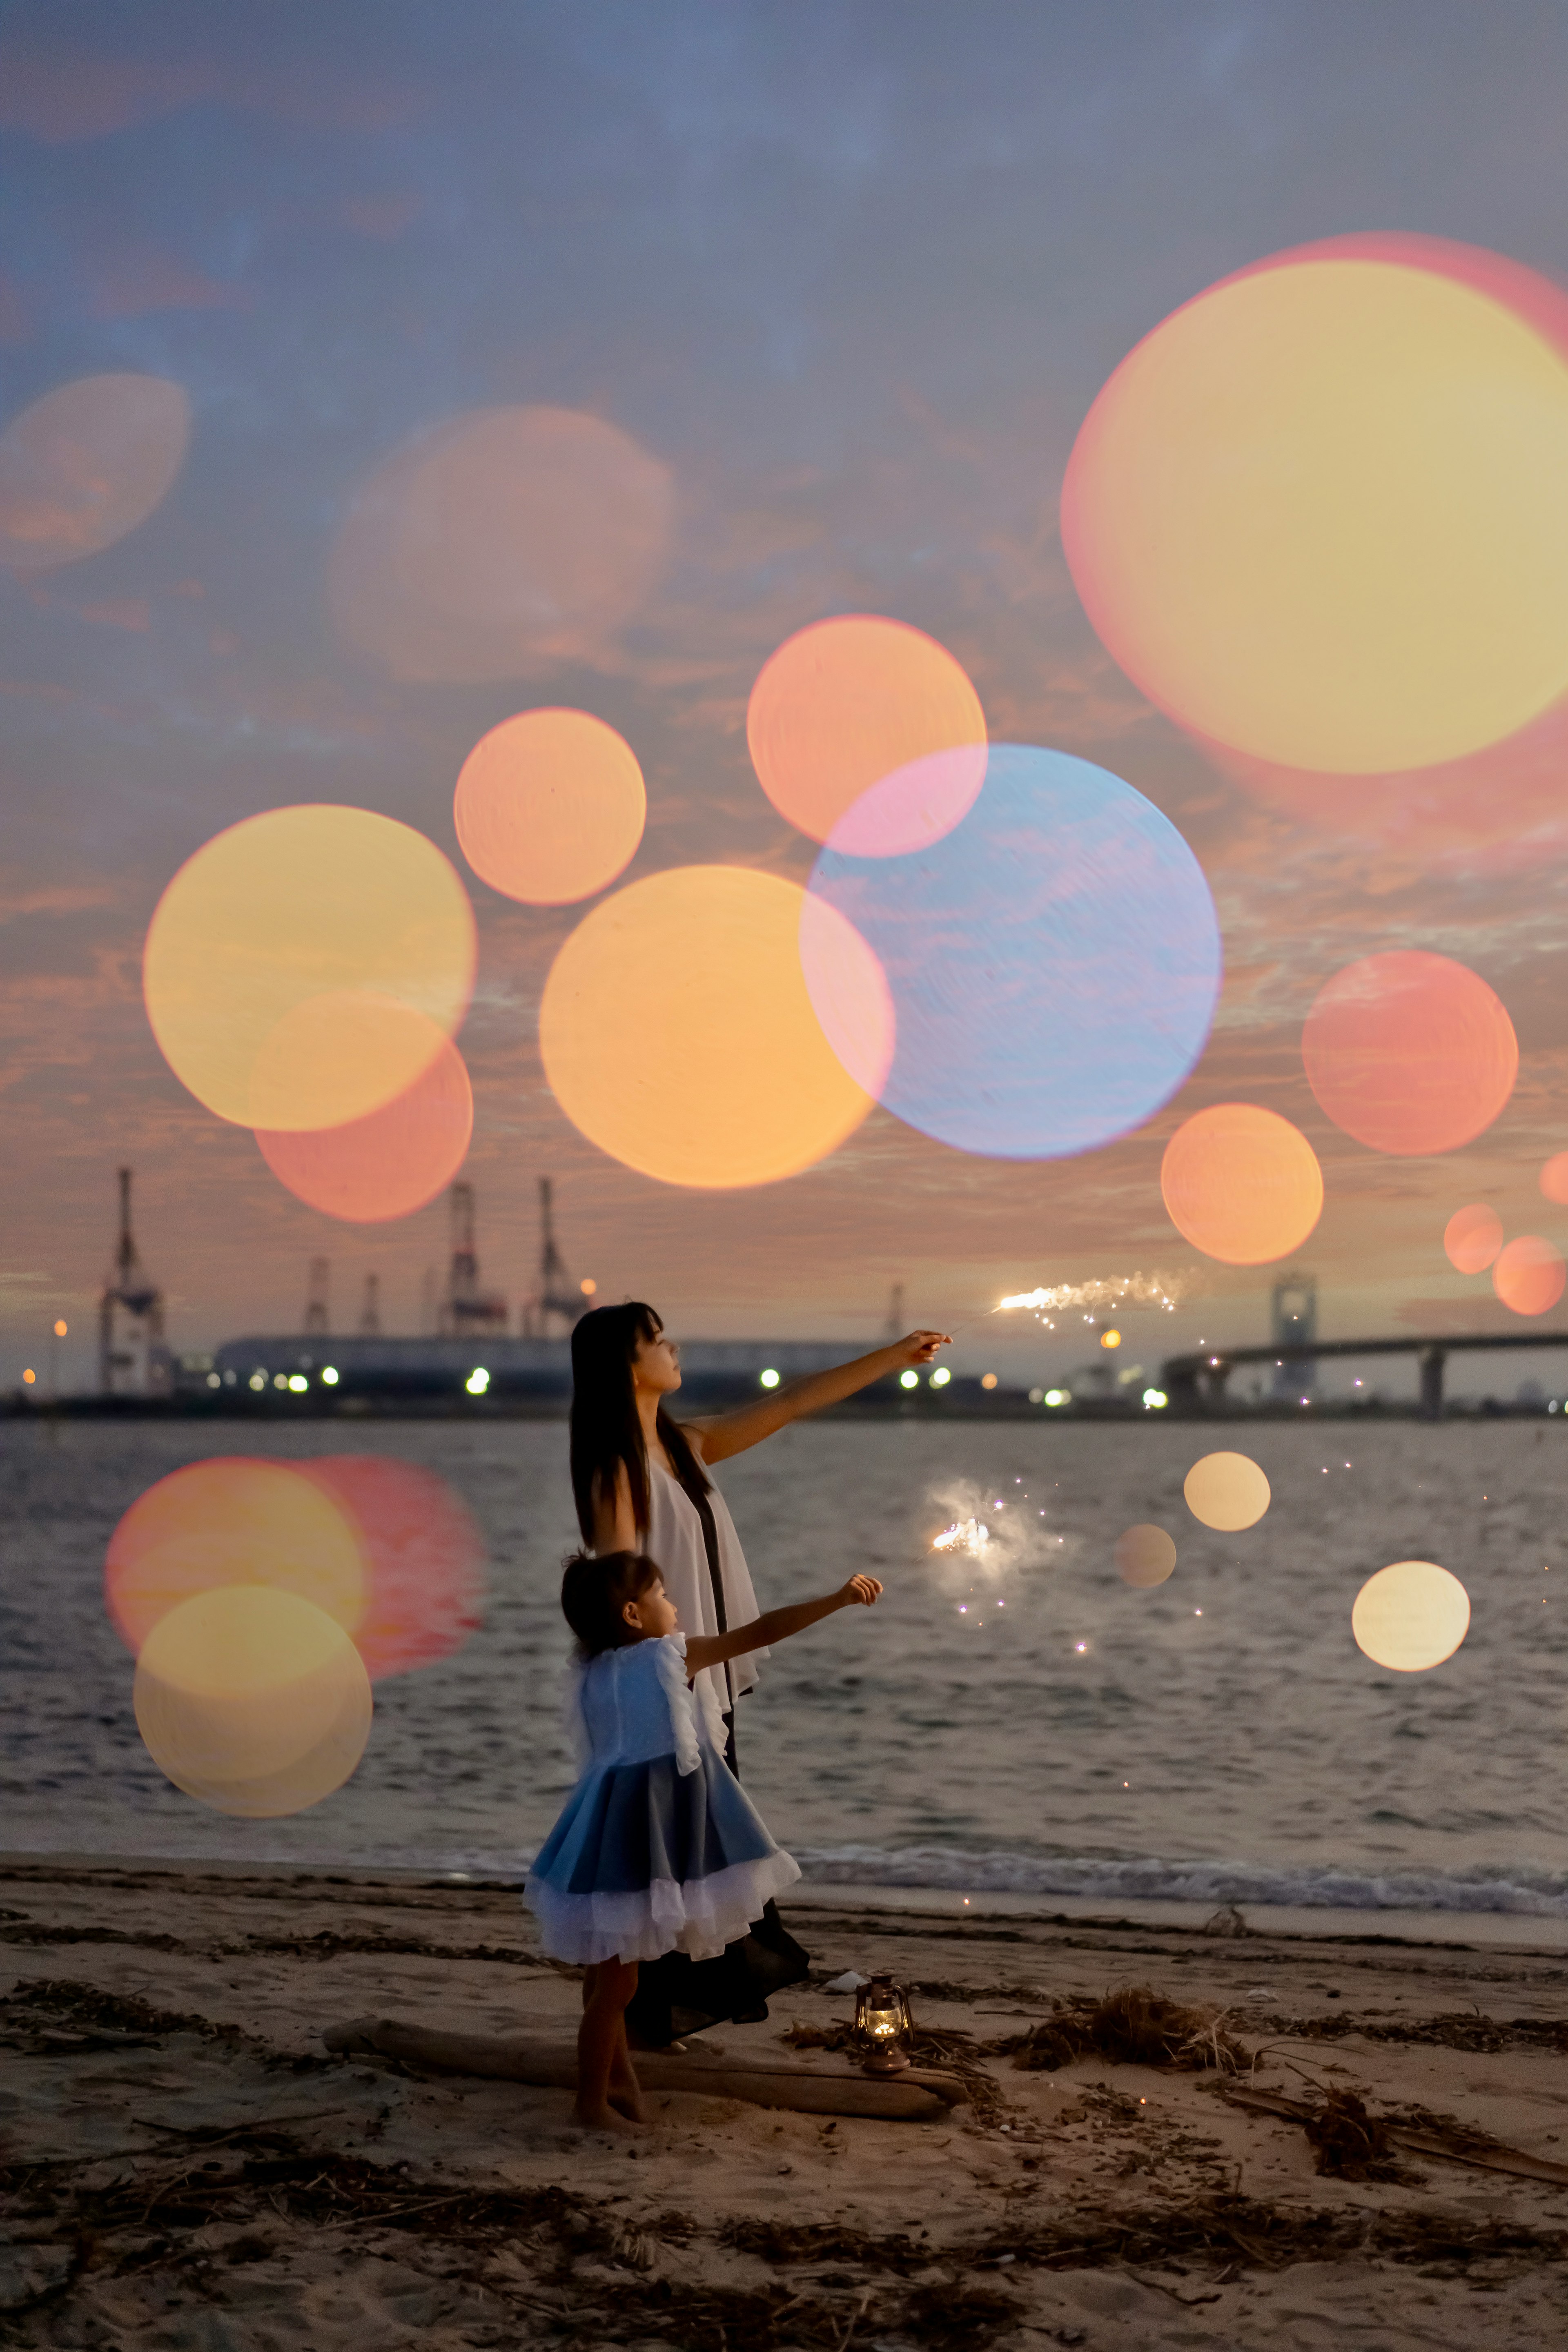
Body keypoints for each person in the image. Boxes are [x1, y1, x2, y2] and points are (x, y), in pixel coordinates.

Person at [568, 1301, 949, 2046]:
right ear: (625, 1366)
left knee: (689, 1862)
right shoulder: (617, 1469)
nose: (672, 1347)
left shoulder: (686, 1447)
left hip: (701, 1679)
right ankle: (619, 2038)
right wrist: (647, 1687)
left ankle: (637, 2035)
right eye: (656, 1340)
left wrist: (895, 1355)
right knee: (661, 1868)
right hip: (662, 1690)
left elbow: (792, 1400)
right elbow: (616, 1596)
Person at [526, 1548, 882, 2130]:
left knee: (607, 1976)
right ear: (635, 1615)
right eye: (663, 1595)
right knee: (616, 1985)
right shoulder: (669, 1657)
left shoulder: (591, 1673)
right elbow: (760, 1631)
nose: (674, 1605)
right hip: (644, 1833)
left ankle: (619, 2084)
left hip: (602, 1827)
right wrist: (836, 1600)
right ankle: (590, 2104)